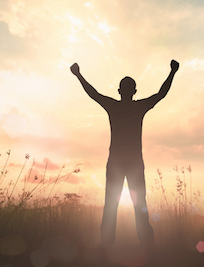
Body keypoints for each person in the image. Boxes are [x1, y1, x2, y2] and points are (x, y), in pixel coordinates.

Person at [70, 60, 179, 248]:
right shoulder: (139, 107)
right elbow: (161, 94)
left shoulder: (113, 106)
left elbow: (93, 94)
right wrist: (172, 72)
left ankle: (107, 245)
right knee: (139, 205)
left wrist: (78, 74)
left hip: (116, 163)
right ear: (134, 91)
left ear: (119, 91)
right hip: (134, 163)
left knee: (111, 205)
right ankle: (146, 245)